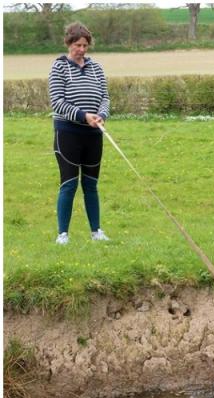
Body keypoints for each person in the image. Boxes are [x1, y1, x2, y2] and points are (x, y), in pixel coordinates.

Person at [48, 21, 111, 245]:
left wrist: (102, 114)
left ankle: (97, 232)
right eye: (77, 45)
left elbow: (105, 96)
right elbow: (57, 102)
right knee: (69, 183)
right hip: (68, 133)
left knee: (91, 184)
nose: (81, 49)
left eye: (85, 45)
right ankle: (62, 234)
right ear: (68, 43)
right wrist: (83, 115)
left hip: (94, 133)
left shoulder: (97, 68)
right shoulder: (59, 67)